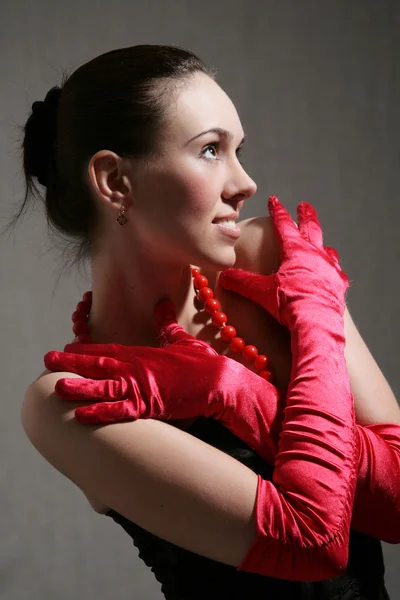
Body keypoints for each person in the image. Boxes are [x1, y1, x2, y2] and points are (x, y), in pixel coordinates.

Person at [16, 45, 400, 599]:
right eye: (211, 150)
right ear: (115, 181)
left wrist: (241, 395)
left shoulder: (275, 259)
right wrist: (310, 331)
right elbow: (311, 543)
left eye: (239, 150)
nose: (244, 183)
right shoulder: (71, 400)